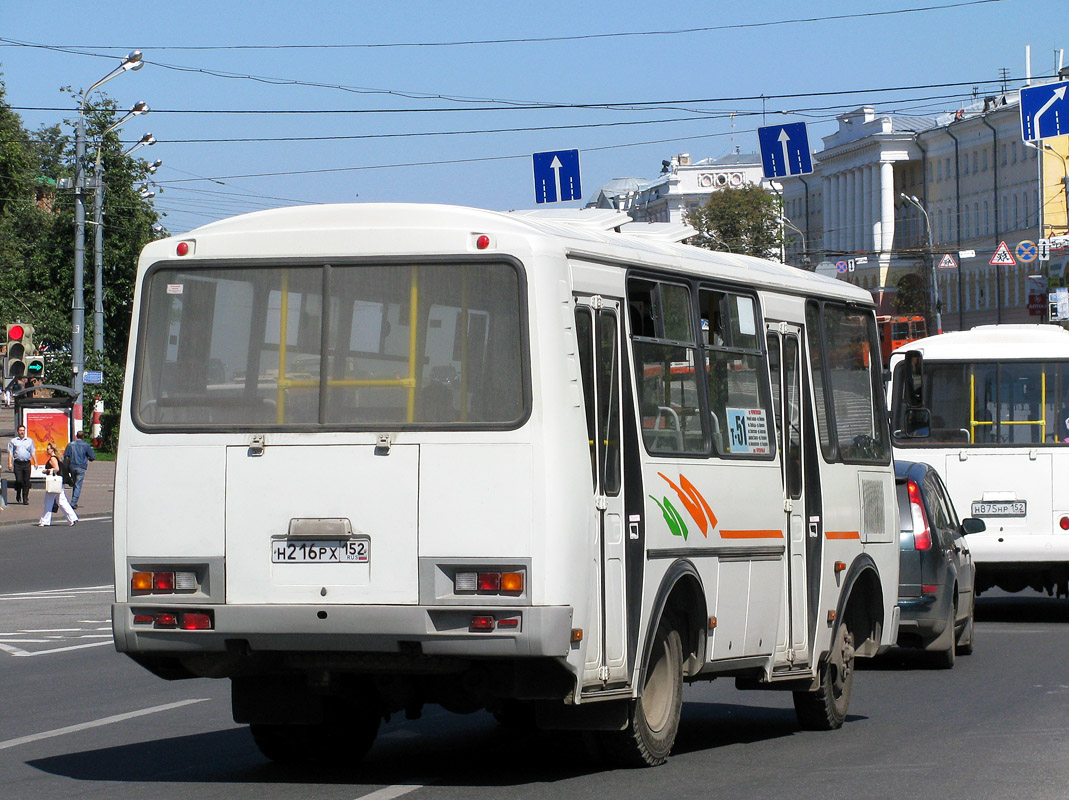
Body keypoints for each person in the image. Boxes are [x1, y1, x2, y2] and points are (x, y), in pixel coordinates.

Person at [38, 442, 77, 527]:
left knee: (48, 501)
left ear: (52, 449)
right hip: (59, 482)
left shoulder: (52, 458)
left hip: (54, 483)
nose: (47, 450)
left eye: (48, 449)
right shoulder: (57, 457)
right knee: (62, 501)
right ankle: (72, 518)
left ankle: (44, 521)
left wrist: (47, 471)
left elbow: (56, 469)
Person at [63, 430, 96, 509]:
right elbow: (92, 456)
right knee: (78, 485)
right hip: (81, 467)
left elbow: (66, 456)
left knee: (75, 483)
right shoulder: (86, 445)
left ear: (76, 436)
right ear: (83, 437)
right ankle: (73, 502)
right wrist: (88, 458)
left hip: (72, 466)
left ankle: (73, 500)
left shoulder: (71, 444)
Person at [7, 424, 35, 505]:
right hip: (18, 463)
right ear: (17, 432)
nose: (22, 432)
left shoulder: (29, 441)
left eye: (23, 430)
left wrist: (35, 462)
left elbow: (32, 452)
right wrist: (9, 463)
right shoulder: (13, 441)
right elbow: (10, 453)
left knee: (26, 481)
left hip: (26, 463)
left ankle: (25, 498)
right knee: (19, 480)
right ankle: (18, 491)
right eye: (20, 430)